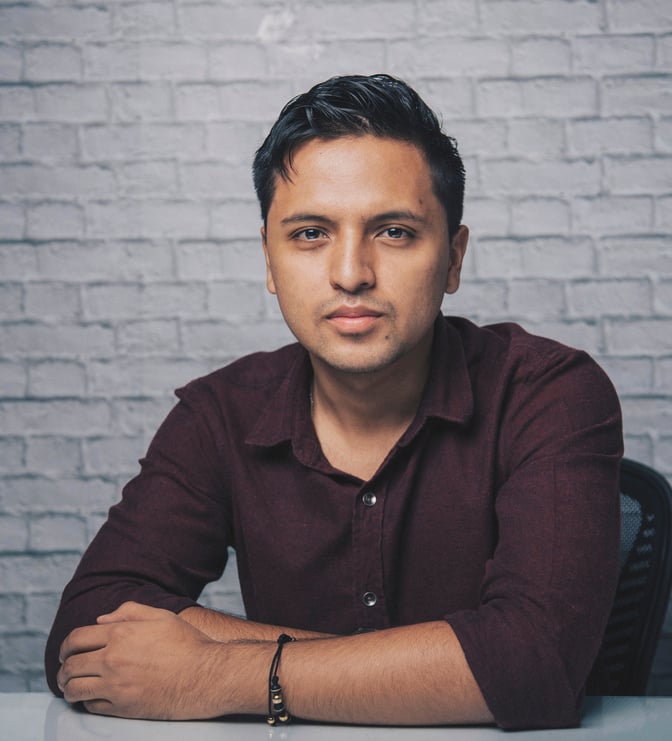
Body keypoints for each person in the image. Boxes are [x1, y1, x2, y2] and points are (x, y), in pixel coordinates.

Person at [46, 74, 623, 730]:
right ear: (269, 258)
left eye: (395, 232)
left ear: (453, 259)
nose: (351, 272)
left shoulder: (549, 392)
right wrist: (441, 671)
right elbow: (86, 626)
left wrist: (212, 671)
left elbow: (534, 663)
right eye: (310, 233)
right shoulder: (219, 414)